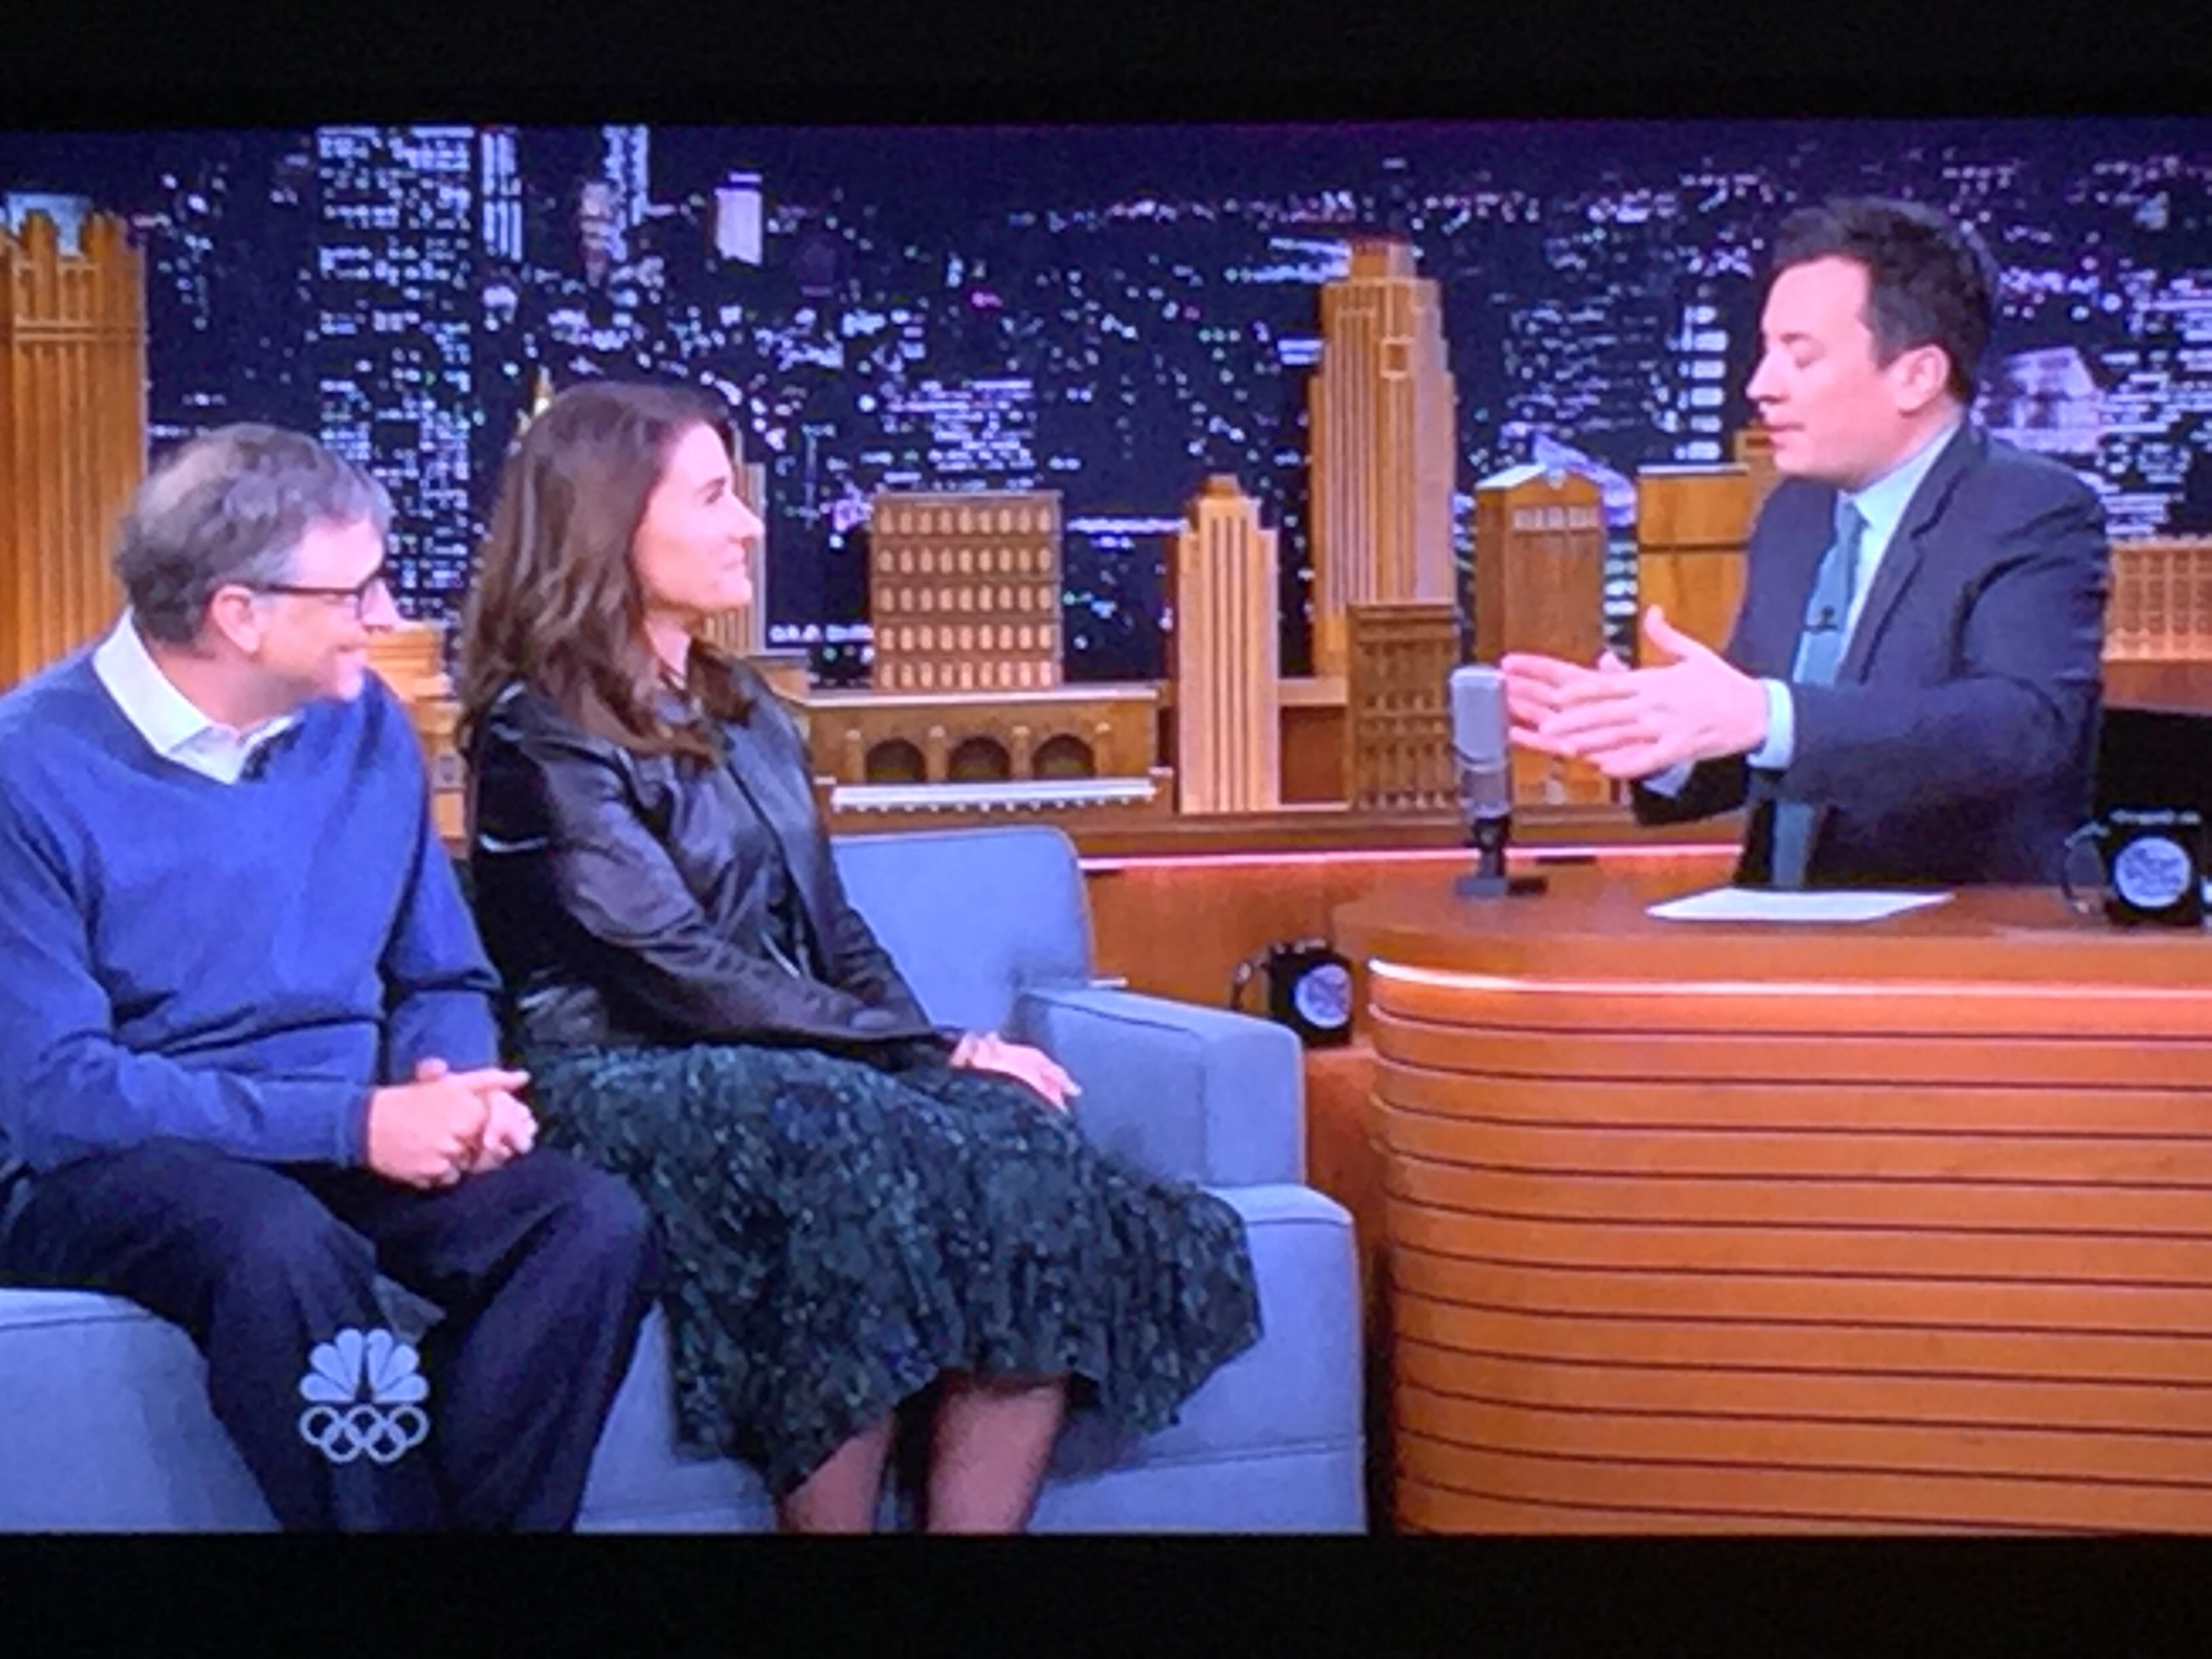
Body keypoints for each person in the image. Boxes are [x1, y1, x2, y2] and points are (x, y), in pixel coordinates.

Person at [456, 380, 1262, 1533]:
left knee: (1016, 1137)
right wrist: (917, 1047)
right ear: (610, 521)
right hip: (620, 1070)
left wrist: (938, 1054)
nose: (747, 526)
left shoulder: (745, 707)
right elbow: (670, 965)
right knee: (839, 1139)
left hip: (791, 1054)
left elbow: (833, 932)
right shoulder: (539, 730)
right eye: (713, 497)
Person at [0, 426, 661, 1531]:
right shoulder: (26, 768)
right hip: (117, 1166)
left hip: (344, 1131)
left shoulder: (362, 727)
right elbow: (60, 1096)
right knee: (278, 1244)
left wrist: (448, 1086)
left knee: (586, 1222)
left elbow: (440, 971)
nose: (387, 615)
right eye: (354, 591)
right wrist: (355, 1125)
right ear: (237, 613)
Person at [1504, 197, 2110, 888]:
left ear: (1916, 376)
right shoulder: (1795, 515)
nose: (1760, 386)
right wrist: (1659, 737)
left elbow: (2022, 726)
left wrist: (1767, 714)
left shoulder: (2031, 508)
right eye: (1767, 352)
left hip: (1957, 932)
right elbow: (1759, 743)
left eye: (1800, 356)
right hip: (1776, 933)